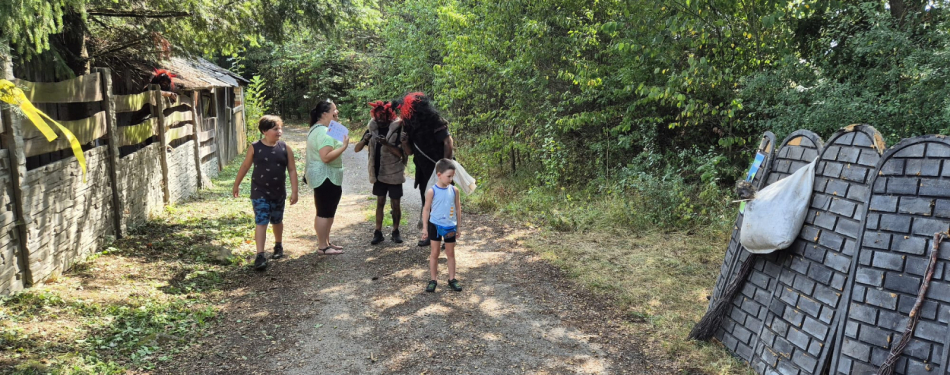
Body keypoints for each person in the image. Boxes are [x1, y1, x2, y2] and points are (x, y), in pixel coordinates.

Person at [232, 115, 299, 270]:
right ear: (264, 131)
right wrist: (237, 184)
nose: (279, 131)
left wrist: (294, 191)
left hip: (278, 192)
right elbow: (245, 166)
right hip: (259, 191)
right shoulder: (255, 147)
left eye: (280, 128)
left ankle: (278, 245)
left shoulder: (285, 148)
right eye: (275, 129)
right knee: (261, 221)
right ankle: (260, 255)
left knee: (277, 220)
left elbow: (292, 170)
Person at [398, 92, 455, 247]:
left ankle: (448, 236)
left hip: (441, 169)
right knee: (428, 202)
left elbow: (448, 142)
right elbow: (409, 152)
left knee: (445, 203)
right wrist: (404, 143)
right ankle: (431, 235)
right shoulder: (409, 124)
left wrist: (445, 167)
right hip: (423, 171)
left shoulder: (434, 120)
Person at [354, 101, 406, 244]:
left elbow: (402, 154)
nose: (380, 119)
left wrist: (387, 144)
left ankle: (395, 231)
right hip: (378, 173)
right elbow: (357, 149)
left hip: (394, 173)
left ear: (389, 115)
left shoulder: (397, 129)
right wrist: (365, 139)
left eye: (383, 116)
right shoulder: (372, 129)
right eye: (378, 117)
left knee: (396, 204)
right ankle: (378, 232)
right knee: (380, 203)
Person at [306, 99, 350, 255]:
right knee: (324, 211)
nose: (337, 112)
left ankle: (326, 242)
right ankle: (322, 246)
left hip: (326, 177)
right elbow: (325, 157)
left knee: (327, 210)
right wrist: (344, 147)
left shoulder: (317, 129)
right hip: (326, 177)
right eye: (334, 110)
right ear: (325, 114)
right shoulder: (324, 132)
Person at [422, 159, 463, 292]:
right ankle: (433, 280)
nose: (451, 179)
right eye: (448, 176)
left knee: (450, 253)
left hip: (450, 226)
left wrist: (458, 226)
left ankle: (452, 279)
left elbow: (457, 208)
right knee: (435, 253)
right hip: (435, 226)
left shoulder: (454, 190)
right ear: (439, 175)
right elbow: (426, 209)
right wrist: (425, 227)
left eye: (453, 176)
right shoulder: (432, 191)